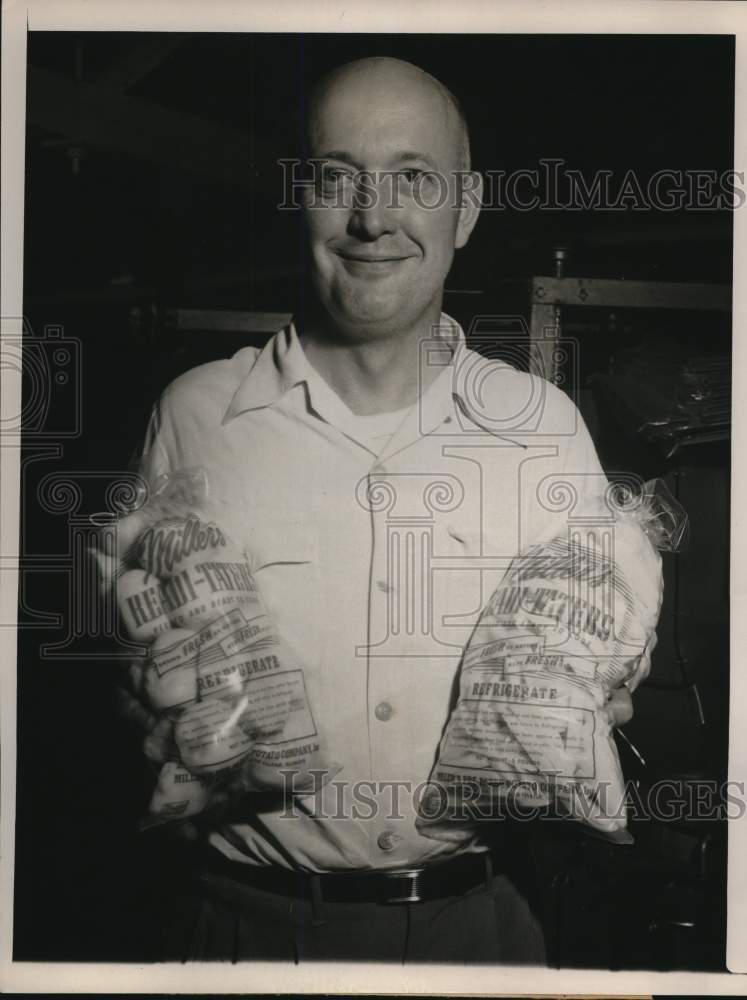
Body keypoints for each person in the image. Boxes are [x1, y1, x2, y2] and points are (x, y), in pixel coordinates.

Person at [120, 56, 646, 964]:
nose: (372, 217)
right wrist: (141, 704)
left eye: (413, 178)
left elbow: (599, 661)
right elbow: (138, 668)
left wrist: (596, 698)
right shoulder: (199, 415)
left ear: (465, 210)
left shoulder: (542, 431)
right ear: (300, 201)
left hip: (480, 931)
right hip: (241, 933)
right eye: (336, 177)